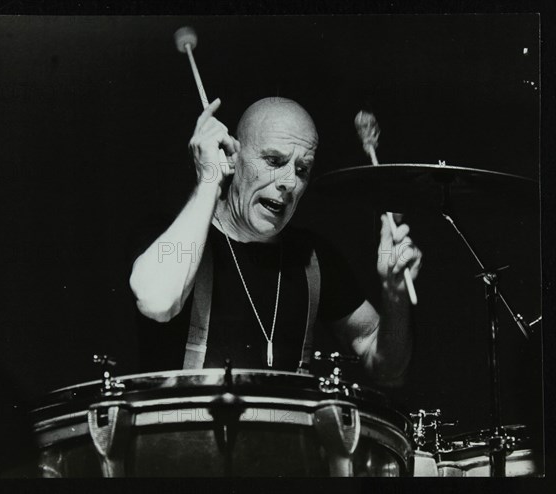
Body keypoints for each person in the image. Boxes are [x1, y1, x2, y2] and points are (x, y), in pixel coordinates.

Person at [129, 97, 422, 386]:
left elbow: (389, 370)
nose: (290, 182)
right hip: (183, 433)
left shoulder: (312, 258)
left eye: (302, 169)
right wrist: (209, 180)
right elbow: (157, 301)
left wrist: (394, 293)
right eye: (274, 161)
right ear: (231, 155)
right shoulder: (173, 235)